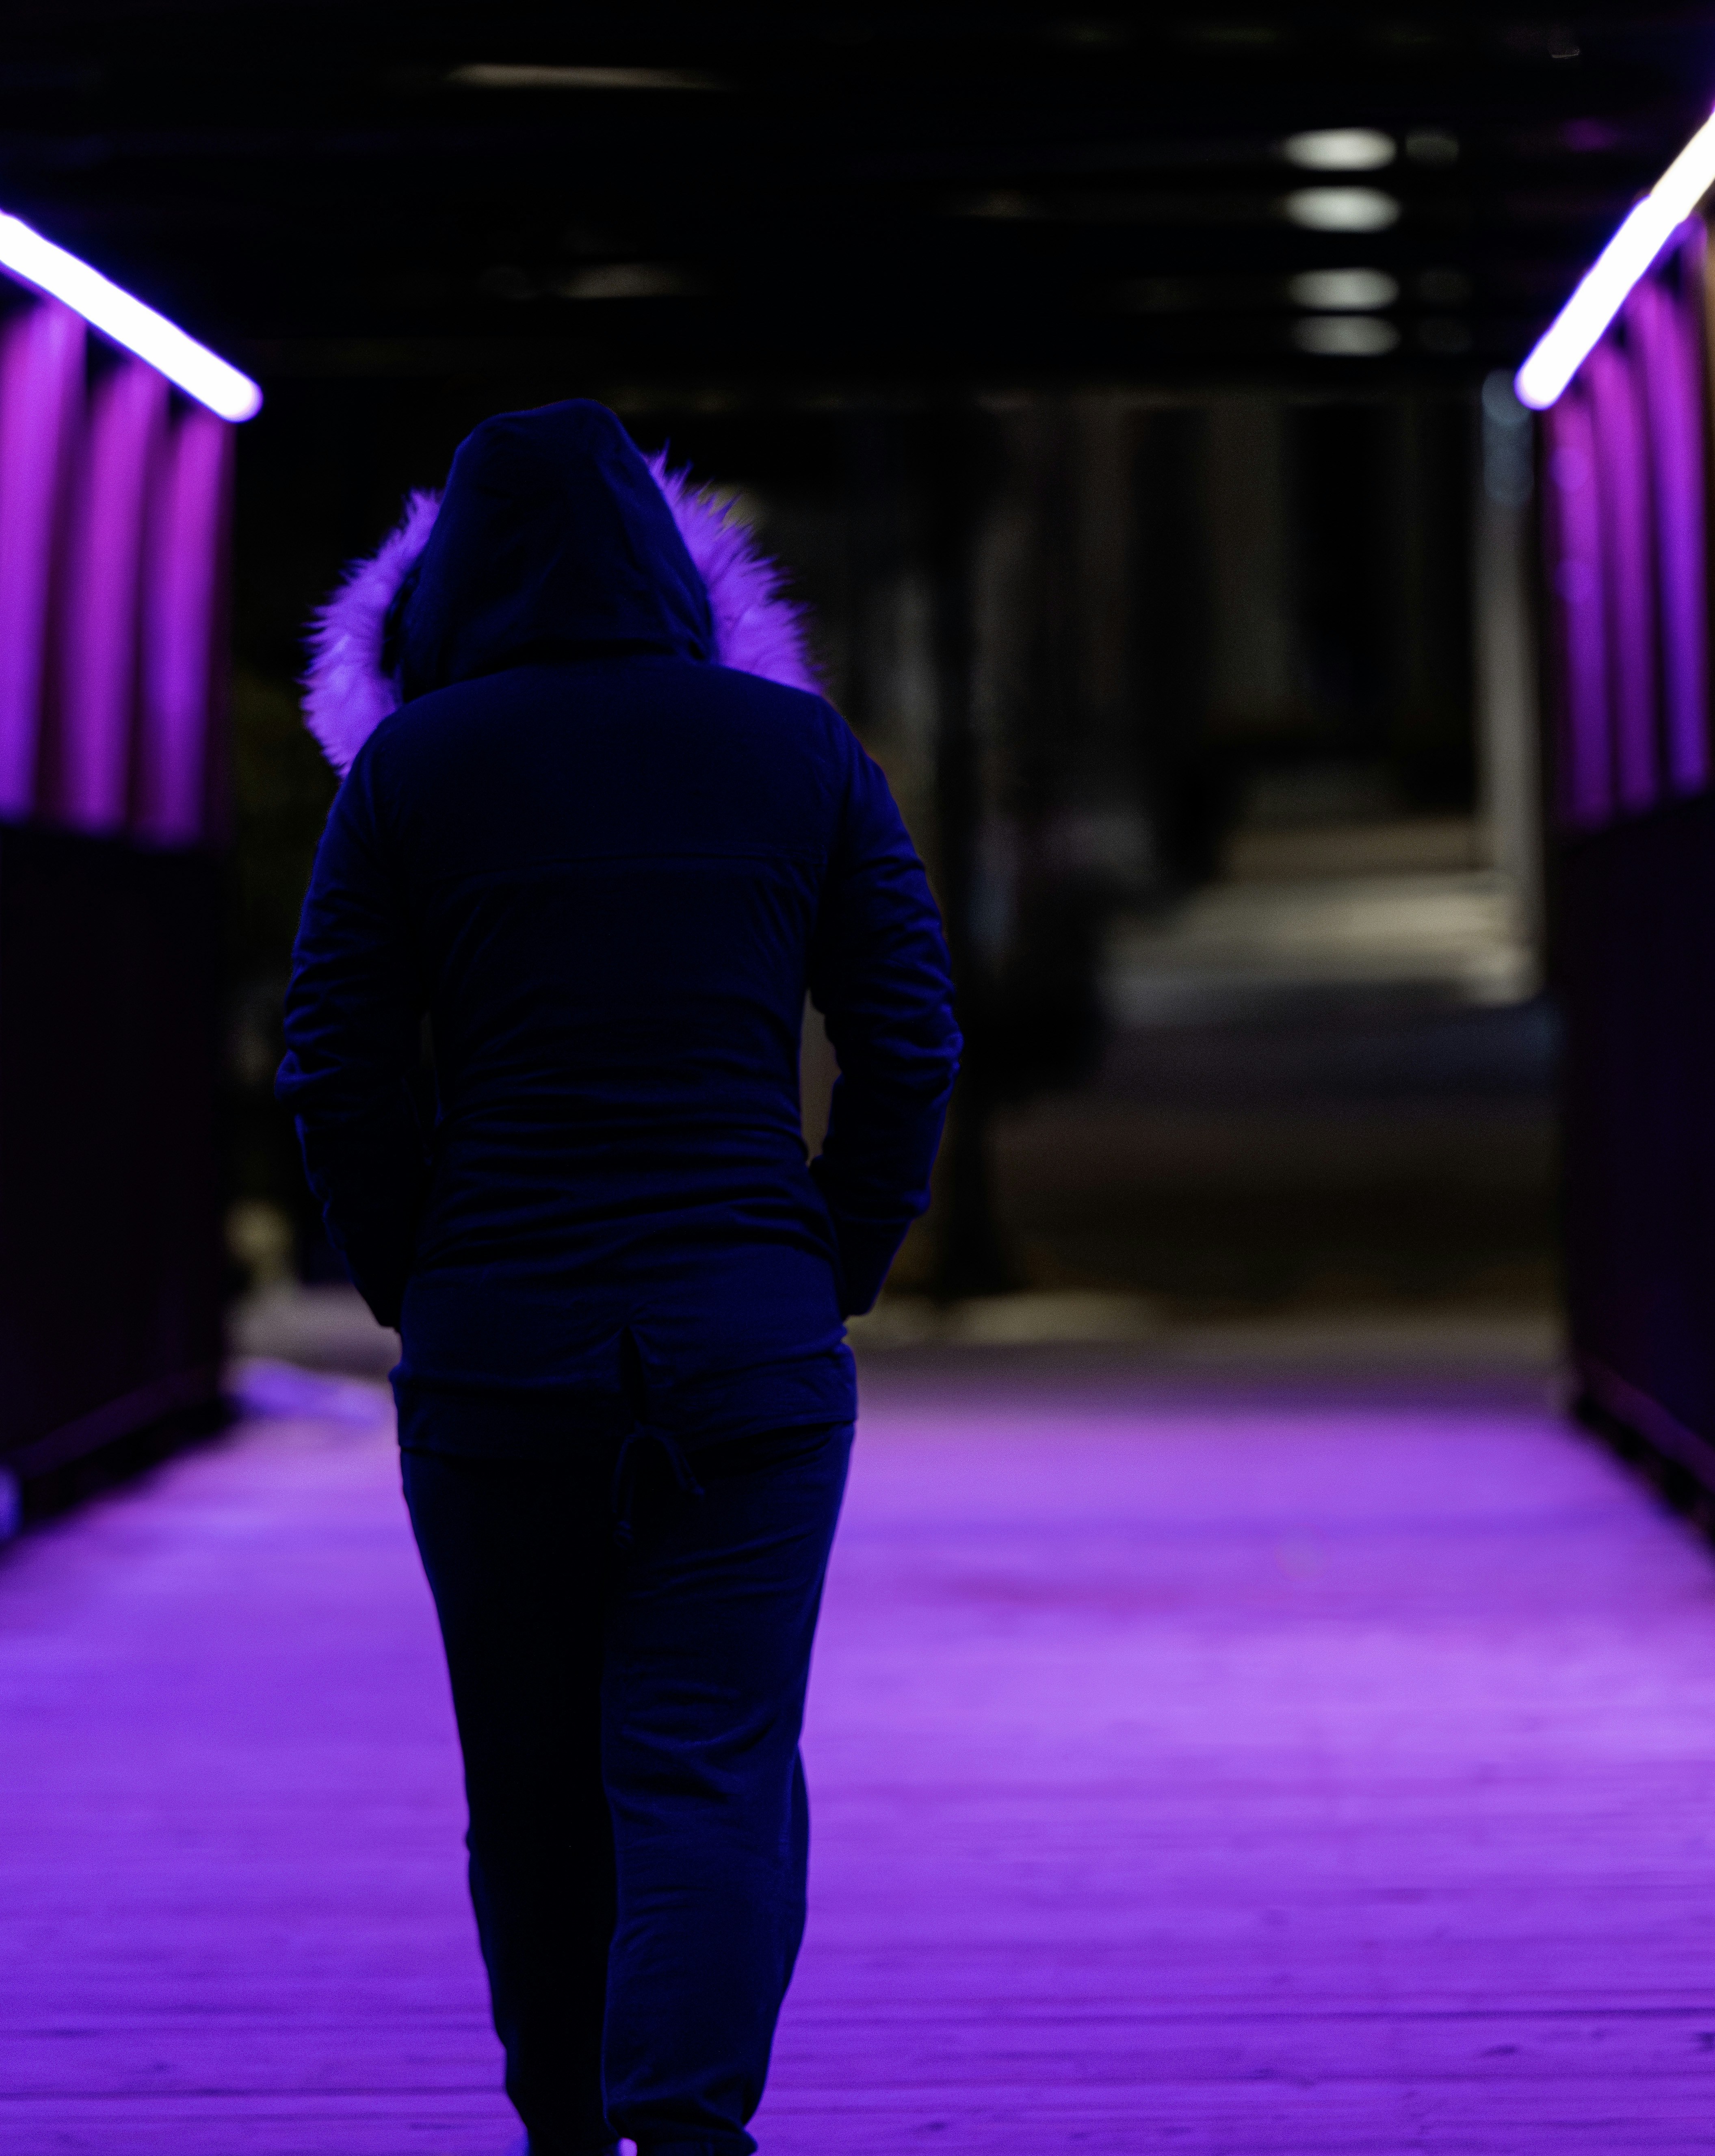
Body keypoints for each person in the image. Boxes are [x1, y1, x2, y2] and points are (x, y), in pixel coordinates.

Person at [277, 400, 960, 2156]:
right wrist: (837, 1253)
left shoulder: (411, 774)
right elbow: (909, 1037)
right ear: (677, 570)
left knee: (530, 1779)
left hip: (501, 1345)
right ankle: (690, 2121)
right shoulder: (794, 754)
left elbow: (334, 1063)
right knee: (713, 1756)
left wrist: (414, 1278)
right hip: (748, 1333)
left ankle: (568, 2133)